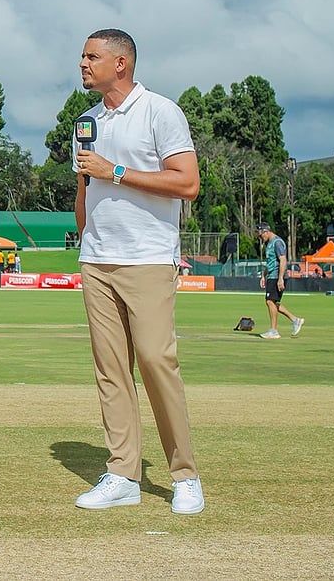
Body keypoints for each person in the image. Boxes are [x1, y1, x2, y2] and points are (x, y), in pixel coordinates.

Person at [72, 28, 205, 515]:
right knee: (111, 371)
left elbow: (187, 183)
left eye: (91, 56)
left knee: (155, 360)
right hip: (96, 260)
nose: (82, 64)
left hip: (148, 258)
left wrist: (116, 171)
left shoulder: (160, 111)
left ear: (120, 64)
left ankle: (185, 476)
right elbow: (85, 188)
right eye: (82, 56)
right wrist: (86, 236)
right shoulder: (85, 122)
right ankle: (123, 474)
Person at [256, 223, 305, 339]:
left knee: (270, 301)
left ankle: (274, 331)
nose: (260, 238)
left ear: (266, 232)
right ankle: (295, 320)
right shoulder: (269, 244)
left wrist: (280, 279)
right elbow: (270, 262)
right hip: (271, 276)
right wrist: (263, 276)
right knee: (274, 303)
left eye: (261, 236)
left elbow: (283, 260)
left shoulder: (277, 243)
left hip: (276, 276)